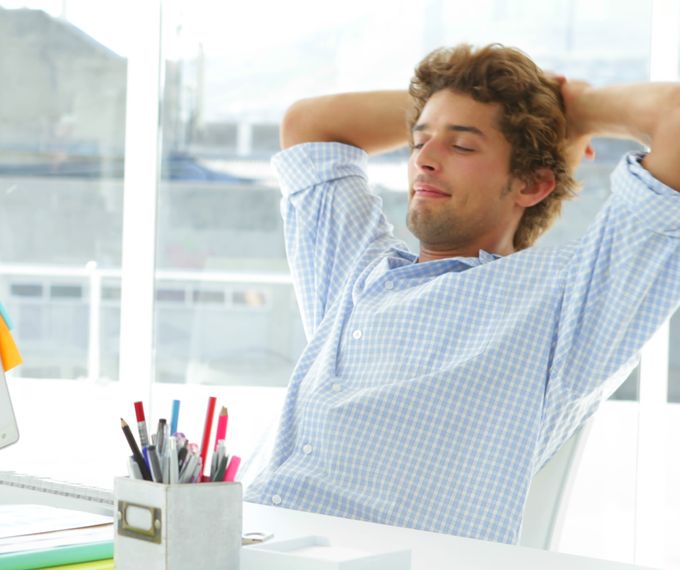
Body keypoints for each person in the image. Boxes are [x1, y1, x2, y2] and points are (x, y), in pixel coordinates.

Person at [244, 43, 680, 544]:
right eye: (417, 140)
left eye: (462, 146)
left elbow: (675, 117)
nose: (424, 160)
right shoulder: (358, 271)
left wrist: (572, 109)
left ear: (532, 183)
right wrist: (486, 106)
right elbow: (310, 124)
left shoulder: (568, 303)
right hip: (233, 541)